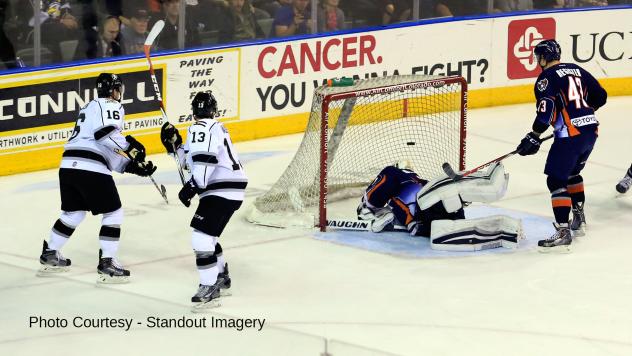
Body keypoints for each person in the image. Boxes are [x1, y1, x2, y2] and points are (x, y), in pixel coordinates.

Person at [38, 73, 157, 283]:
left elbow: (103, 146)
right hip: (90, 168)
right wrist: (131, 148)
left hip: (68, 166)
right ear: (113, 91)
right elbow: (105, 135)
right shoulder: (112, 105)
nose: (118, 93)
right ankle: (108, 262)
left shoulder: (89, 108)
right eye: (117, 89)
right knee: (114, 212)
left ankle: (50, 252)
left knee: (73, 214)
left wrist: (133, 166)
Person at [515, 39, 607, 251]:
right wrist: (582, 114)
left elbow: (545, 113)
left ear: (544, 57)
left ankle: (564, 231)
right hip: (590, 130)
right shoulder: (577, 69)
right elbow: (601, 96)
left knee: (556, 180)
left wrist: (534, 135)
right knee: (573, 173)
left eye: (539, 57)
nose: (538, 61)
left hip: (570, 136)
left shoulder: (545, 78)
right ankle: (579, 217)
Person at [160, 91, 248, 308]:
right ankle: (220, 277)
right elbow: (190, 160)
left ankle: (209, 288)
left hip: (221, 189)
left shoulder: (200, 128)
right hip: (230, 189)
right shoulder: (213, 128)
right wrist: (174, 146)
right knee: (209, 237)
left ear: (194, 112)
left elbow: (204, 161)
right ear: (214, 110)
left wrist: (193, 185)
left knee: (200, 238)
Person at [357, 162, 522, 251]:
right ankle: (367, 208)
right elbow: (399, 205)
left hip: (431, 216)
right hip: (424, 211)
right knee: (448, 190)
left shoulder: (410, 185)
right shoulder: (400, 184)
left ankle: (499, 228)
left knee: (449, 192)